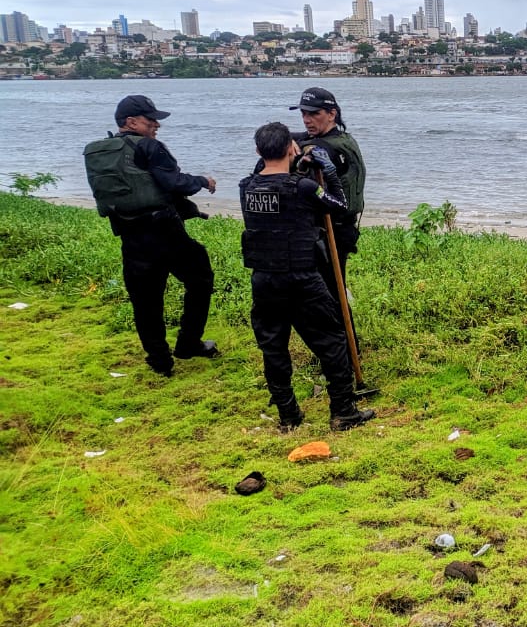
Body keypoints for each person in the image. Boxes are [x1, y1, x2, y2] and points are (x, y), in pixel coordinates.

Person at [240, 122, 374, 432]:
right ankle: (343, 411)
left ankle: (289, 416)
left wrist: (295, 166)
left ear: (258, 152)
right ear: (291, 148)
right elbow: (339, 207)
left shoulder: (246, 187)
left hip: (263, 279)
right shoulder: (301, 187)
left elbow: (269, 183)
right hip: (301, 278)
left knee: (273, 347)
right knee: (331, 341)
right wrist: (327, 173)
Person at [84, 95, 218, 376]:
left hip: (130, 236)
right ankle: (188, 343)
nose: (156, 125)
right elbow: (175, 183)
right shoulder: (149, 146)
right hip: (164, 232)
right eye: (150, 120)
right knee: (201, 277)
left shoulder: (104, 152)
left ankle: (159, 361)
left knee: (145, 299)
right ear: (131, 122)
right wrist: (203, 181)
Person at [292, 87, 366, 301]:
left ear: (332, 114)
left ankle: (344, 335)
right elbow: (297, 137)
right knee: (325, 291)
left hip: (333, 231)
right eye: (303, 114)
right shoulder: (343, 137)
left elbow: (310, 149)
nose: (307, 120)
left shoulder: (326, 149)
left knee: (332, 295)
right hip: (335, 228)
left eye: (314, 114)